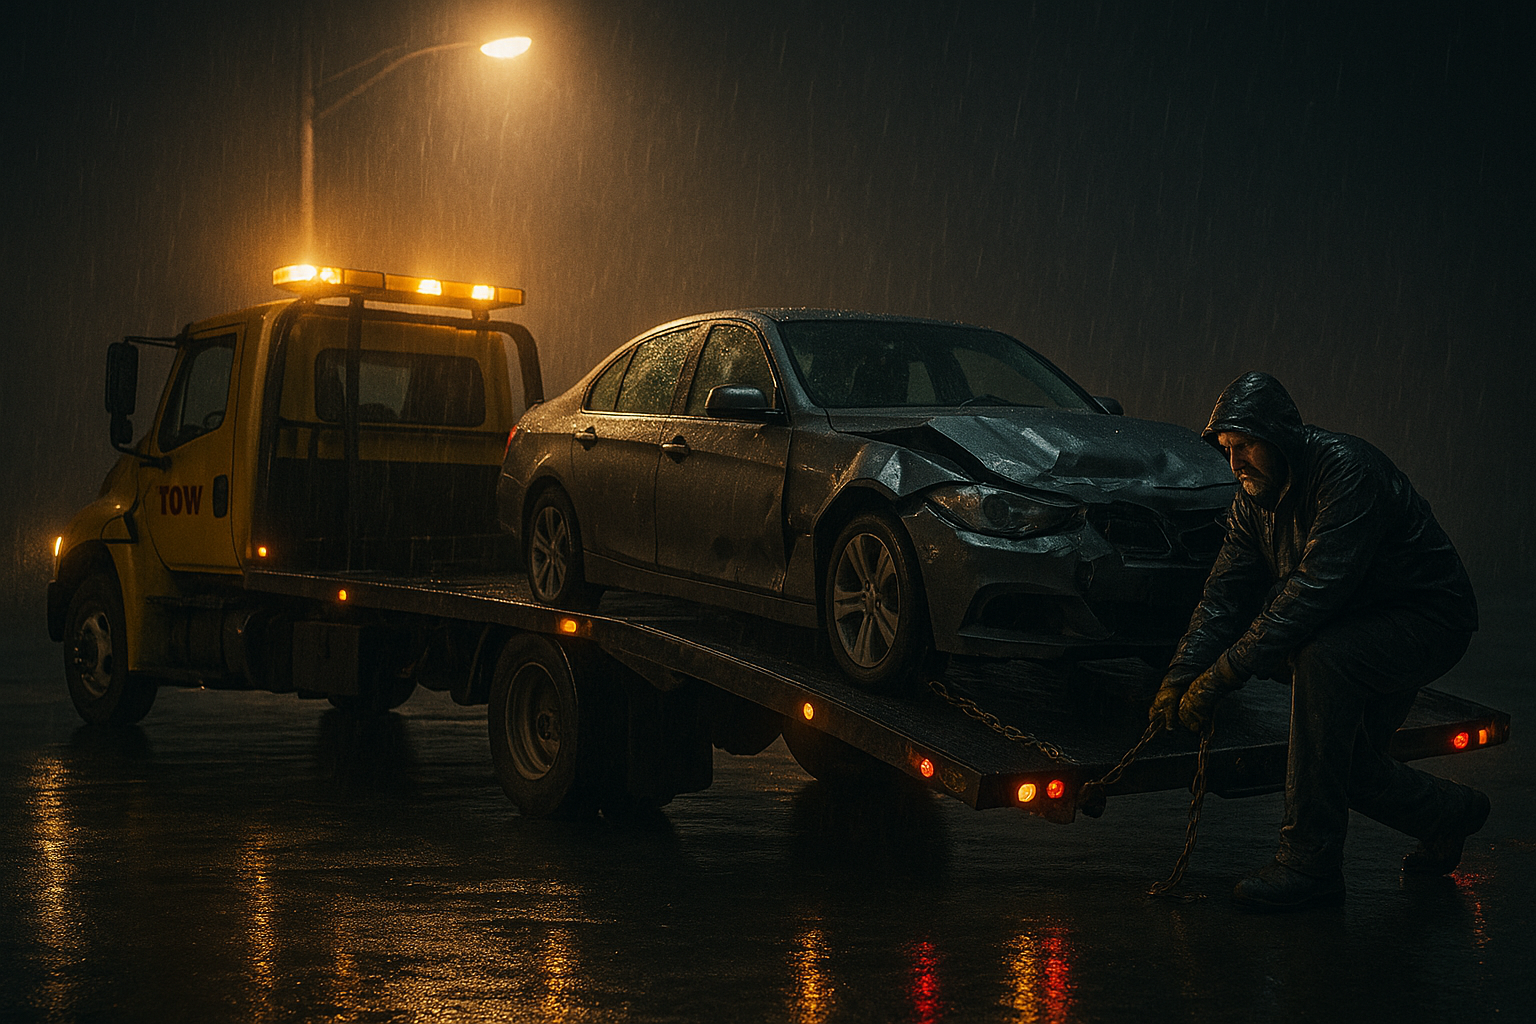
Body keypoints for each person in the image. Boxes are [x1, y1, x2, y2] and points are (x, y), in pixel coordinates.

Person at [1149, 371, 1487, 911]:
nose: (1235, 463)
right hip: (1357, 623)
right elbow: (1223, 598)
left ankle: (1310, 866)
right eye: (1227, 449)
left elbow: (1314, 590)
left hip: (1427, 621)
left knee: (1322, 658)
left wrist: (1221, 676)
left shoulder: (1347, 472)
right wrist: (1182, 674)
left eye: (1245, 446)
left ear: (1280, 436)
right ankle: (1452, 814)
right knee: (1343, 764)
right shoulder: (1252, 503)